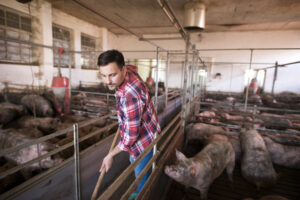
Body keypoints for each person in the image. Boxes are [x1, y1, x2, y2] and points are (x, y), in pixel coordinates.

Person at [98, 49, 161, 198]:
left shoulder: (129, 94)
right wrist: (123, 121)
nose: (108, 81)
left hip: (143, 143)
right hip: (148, 129)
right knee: (141, 171)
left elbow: (131, 137)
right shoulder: (129, 73)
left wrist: (110, 155)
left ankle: (142, 194)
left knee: (142, 176)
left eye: (112, 75)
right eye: (104, 75)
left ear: (123, 69)